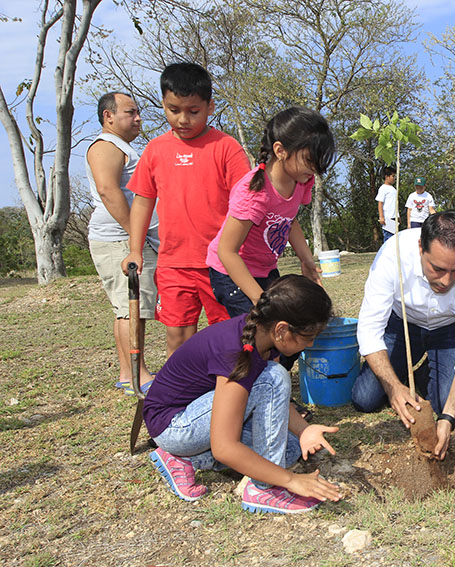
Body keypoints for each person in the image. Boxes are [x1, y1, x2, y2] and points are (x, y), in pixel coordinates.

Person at [144, 275, 342, 514]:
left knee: (289, 449)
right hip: (174, 425)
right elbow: (225, 448)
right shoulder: (236, 352)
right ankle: (264, 490)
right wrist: (290, 480)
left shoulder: (261, 336)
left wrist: (303, 430)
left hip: (201, 417)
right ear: (281, 329)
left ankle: (186, 460)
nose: (310, 344)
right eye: (308, 337)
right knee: (274, 378)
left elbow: (271, 400)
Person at [123, 62, 251, 356]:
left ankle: (224, 395)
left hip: (221, 264)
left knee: (229, 335)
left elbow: (246, 205)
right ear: (164, 105)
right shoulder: (156, 150)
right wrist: (135, 250)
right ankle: (180, 397)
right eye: (173, 109)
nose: (183, 119)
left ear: (210, 107)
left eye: (193, 111)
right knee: (178, 337)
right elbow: (143, 201)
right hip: (174, 264)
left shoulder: (226, 147)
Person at [351, 211, 455, 460]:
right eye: (438, 268)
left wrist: (448, 418)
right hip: (402, 325)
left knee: (444, 403)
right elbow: (369, 330)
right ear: (421, 247)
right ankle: (409, 377)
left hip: (450, 330)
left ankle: (427, 372)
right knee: (365, 399)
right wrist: (394, 387)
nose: (446, 280)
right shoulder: (392, 254)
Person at [206, 107, 334, 317]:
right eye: (309, 160)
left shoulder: (302, 180)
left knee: (285, 326)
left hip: (265, 269)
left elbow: (289, 221)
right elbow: (226, 251)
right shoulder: (255, 193)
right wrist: (259, 299)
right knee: (262, 331)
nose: (314, 169)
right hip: (231, 272)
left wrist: (306, 259)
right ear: (280, 150)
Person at [86, 91, 159, 394]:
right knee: (130, 305)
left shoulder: (123, 147)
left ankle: (130, 373)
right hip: (118, 239)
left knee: (130, 306)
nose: (138, 118)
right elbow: (107, 190)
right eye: (131, 112)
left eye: (138, 112)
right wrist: (135, 236)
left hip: (128, 238)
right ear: (109, 116)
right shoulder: (106, 146)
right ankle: (135, 375)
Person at [376, 165, 398, 243]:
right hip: (388, 218)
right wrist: (381, 217)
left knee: (395, 238)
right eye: (392, 176)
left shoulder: (393, 189)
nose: (394, 178)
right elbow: (380, 203)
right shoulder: (383, 188)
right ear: (386, 177)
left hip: (394, 217)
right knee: (389, 238)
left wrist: (397, 216)